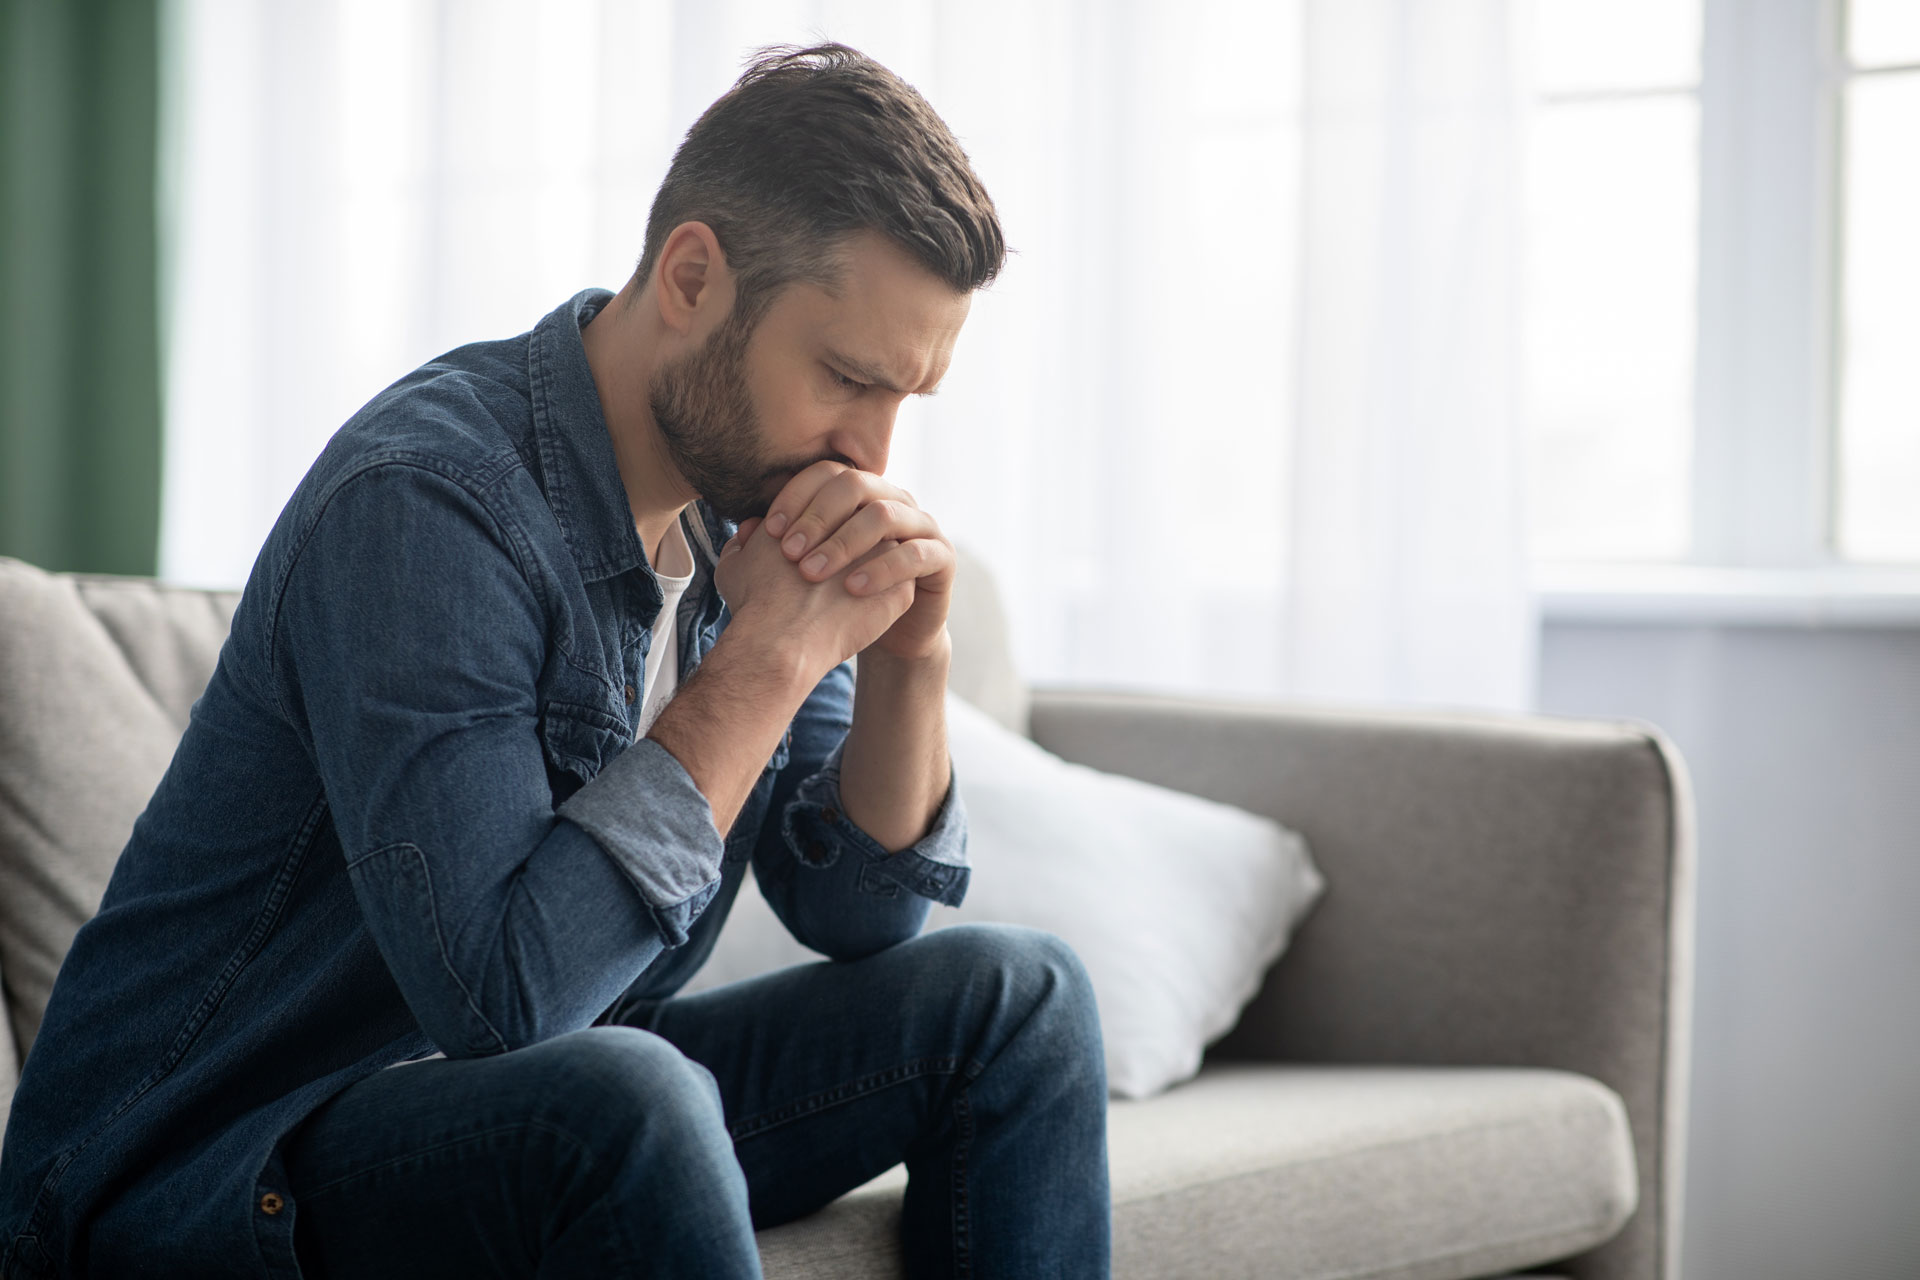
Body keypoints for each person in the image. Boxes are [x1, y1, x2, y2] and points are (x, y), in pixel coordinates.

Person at [0, 43, 1110, 1280]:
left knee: (1023, 1000)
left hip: (527, 1102)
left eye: (909, 396)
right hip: (205, 1164)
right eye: (847, 377)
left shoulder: (753, 503)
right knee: (628, 1093)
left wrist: (913, 653)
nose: (871, 446)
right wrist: (764, 661)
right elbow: (503, 998)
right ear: (691, 277)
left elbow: (857, 910)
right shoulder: (429, 499)